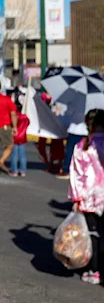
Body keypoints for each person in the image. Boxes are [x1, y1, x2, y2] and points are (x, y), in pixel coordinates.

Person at [67, 111, 104, 284]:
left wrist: (76, 199)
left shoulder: (83, 146)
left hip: (90, 198)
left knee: (93, 234)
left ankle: (94, 270)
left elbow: (76, 175)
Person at [9, 101, 31, 177]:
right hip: (22, 137)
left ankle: (14, 170)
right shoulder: (25, 117)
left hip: (14, 137)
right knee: (22, 155)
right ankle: (23, 171)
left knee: (14, 155)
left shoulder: (14, 117)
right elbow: (28, 123)